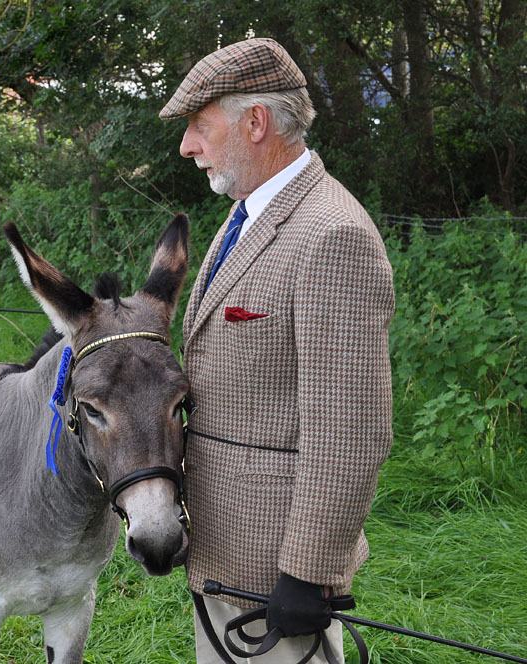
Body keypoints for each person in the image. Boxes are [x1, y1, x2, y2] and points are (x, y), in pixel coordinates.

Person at [159, 38, 395, 663]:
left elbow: (350, 429)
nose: (188, 146)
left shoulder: (332, 235)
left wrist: (310, 572)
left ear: (256, 122)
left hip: (276, 571)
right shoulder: (250, 213)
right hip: (224, 558)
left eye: (199, 127)